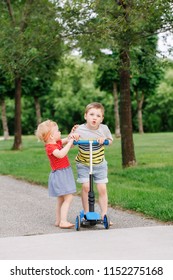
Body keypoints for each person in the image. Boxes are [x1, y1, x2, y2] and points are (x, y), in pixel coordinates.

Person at [73, 102, 113, 224]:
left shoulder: (104, 129)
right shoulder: (80, 129)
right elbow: (72, 138)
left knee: (102, 189)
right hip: (84, 164)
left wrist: (104, 140)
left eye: (98, 115)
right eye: (91, 114)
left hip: (99, 164)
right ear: (86, 116)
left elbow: (110, 141)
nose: (94, 117)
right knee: (86, 187)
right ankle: (86, 213)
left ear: (102, 119)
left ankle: (104, 214)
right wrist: (74, 136)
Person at [35, 120, 77, 229]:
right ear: (52, 136)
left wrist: (72, 134)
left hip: (63, 172)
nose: (60, 132)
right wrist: (70, 143)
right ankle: (63, 221)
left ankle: (58, 220)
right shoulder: (50, 147)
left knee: (61, 199)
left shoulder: (56, 142)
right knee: (68, 197)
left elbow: (68, 139)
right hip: (60, 175)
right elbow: (61, 154)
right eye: (58, 130)